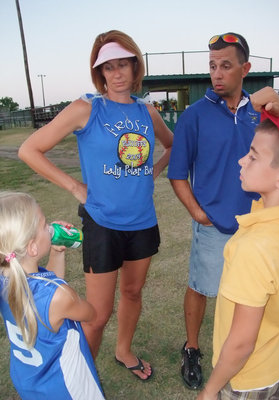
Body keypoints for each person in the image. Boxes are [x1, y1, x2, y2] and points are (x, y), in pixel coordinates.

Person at [18, 30, 173, 381]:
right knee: (97, 314)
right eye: (108, 67)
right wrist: (74, 186)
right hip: (102, 224)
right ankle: (81, 378)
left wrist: (153, 172)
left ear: (136, 67)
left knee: (132, 293)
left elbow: (171, 145)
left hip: (142, 223)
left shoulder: (148, 112)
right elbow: (30, 149)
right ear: (99, 72)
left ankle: (123, 350)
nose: (117, 73)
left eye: (124, 64)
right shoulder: (86, 108)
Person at [167, 32, 279, 389]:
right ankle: (192, 348)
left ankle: (244, 349)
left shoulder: (261, 112)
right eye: (212, 66)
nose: (217, 74)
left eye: (225, 65)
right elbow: (177, 174)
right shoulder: (193, 115)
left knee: (253, 297)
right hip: (214, 227)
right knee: (202, 287)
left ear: (245, 68)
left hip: (261, 228)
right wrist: (197, 213)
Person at [197, 111, 279, 400]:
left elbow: (241, 343)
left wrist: (210, 389)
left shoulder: (254, 248)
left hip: (247, 377)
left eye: (252, 156)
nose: (242, 160)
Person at [0, 191, 105, 400]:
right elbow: (91, 314)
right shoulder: (61, 296)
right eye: (44, 224)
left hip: (29, 381)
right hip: (67, 388)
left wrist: (57, 252)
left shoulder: (7, 277)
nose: (50, 228)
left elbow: (45, 292)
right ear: (32, 247)